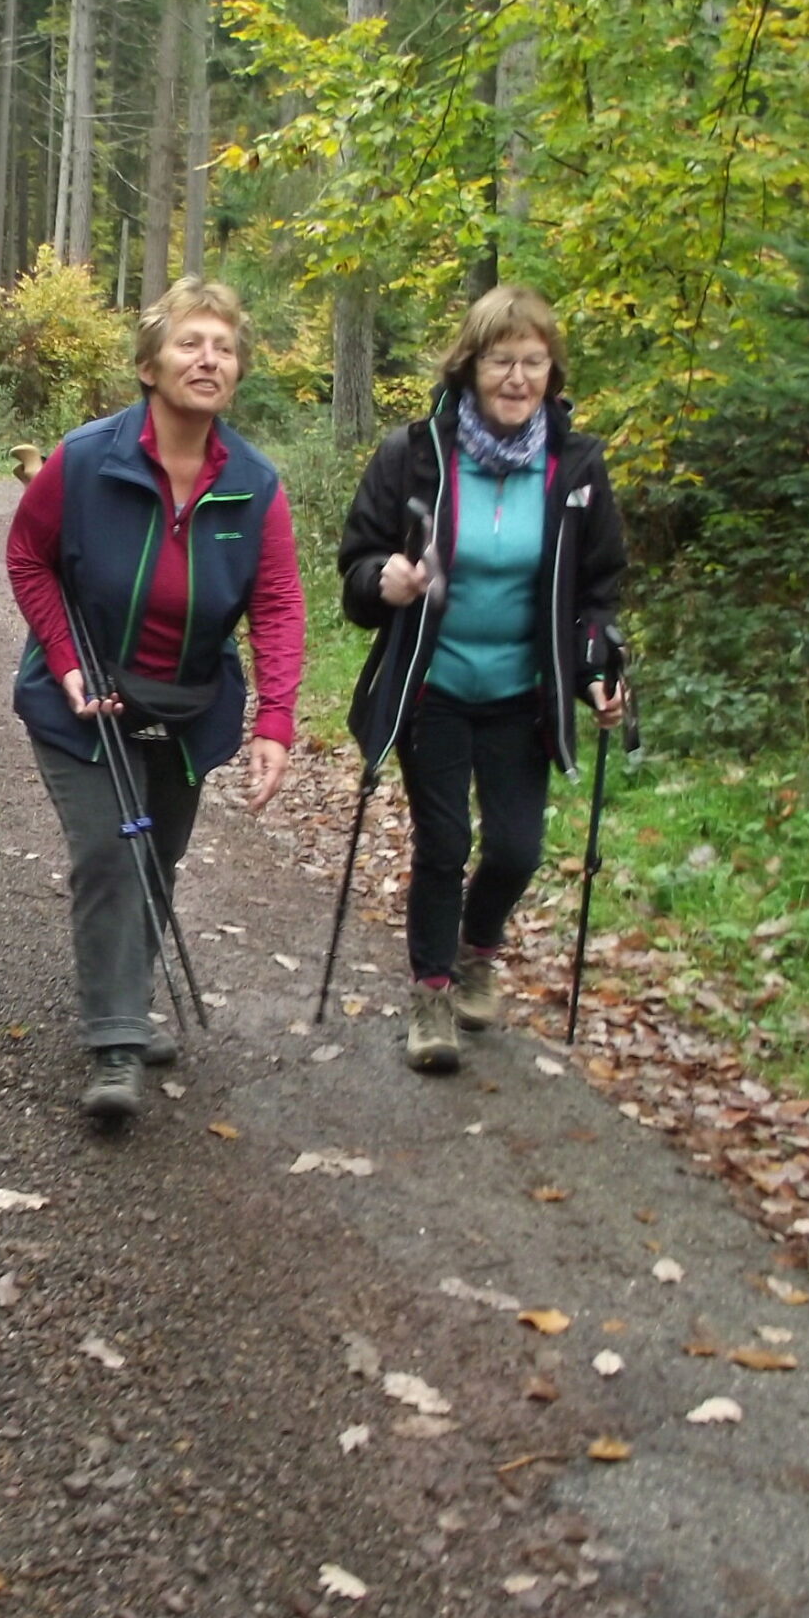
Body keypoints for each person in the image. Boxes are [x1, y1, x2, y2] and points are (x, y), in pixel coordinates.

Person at [7, 277, 306, 1121]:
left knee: (157, 855)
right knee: (113, 849)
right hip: (83, 698)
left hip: (186, 704)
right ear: (149, 365)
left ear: (237, 371)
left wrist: (275, 719)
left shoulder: (255, 484)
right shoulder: (84, 459)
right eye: (189, 343)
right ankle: (114, 1044)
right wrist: (66, 658)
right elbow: (28, 556)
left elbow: (278, 603)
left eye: (224, 348)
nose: (208, 359)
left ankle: (128, 1003)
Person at [337, 284, 626, 1075]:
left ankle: (476, 949)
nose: (517, 378)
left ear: (552, 373)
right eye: (502, 360)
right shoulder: (414, 456)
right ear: (469, 366)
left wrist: (598, 670)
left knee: (516, 850)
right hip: (432, 684)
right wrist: (383, 581)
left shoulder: (576, 468)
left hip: (521, 694)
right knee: (443, 843)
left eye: (534, 361)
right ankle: (431, 995)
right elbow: (357, 566)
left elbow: (598, 589)